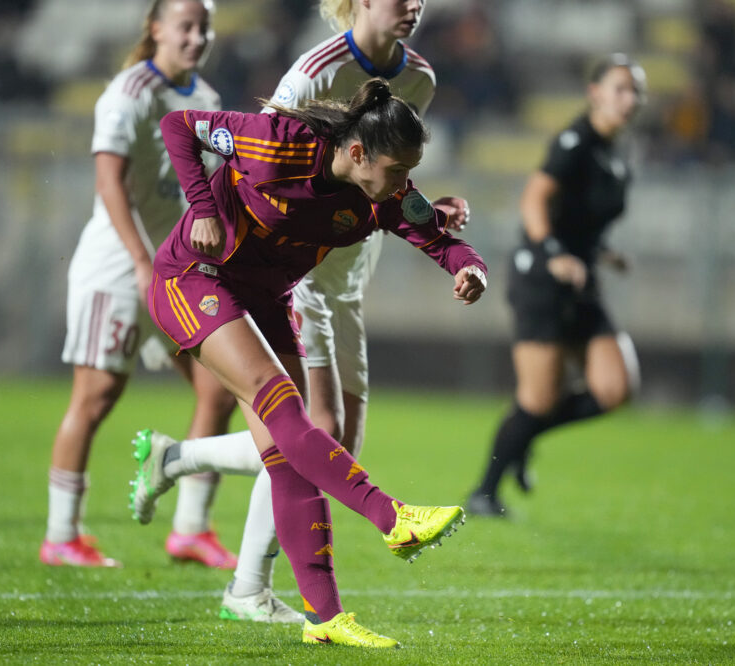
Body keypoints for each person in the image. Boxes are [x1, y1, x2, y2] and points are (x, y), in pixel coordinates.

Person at [128, 0, 470, 623]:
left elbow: (424, 225)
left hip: (267, 292)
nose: (403, 187)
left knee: (292, 451)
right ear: (361, 154)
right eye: (397, 173)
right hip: (196, 276)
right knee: (291, 414)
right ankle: (392, 516)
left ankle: (324, 619)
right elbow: (182, 127)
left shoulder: (376, 189)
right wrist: (202, 207)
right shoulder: (281, 140)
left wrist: (465, 263)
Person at [40, 0, 239, 569]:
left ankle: (191, 529)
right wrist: (139, 259)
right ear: (156, 29)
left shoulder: (204, 99)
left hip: (174, 268)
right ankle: (61, 534)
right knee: (97, 396)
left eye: (205, 26)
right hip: (119, 267)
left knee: (218, 390)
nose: (197, 37)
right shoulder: (129, 92)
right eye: (186, 26)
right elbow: (110, 184)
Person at [466, 54, 646, 517]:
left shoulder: (616, 151)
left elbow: (583, 217)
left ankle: (528, 436)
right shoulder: (576, 141)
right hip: (542, 279)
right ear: (595, 94)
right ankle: (484, 492)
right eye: (620, 88)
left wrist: (602, 252)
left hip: (581, 278)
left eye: (636, 91)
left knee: (616, 386)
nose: (630, 99)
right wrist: (555, 255)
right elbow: (533, 201)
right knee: (538, 398)